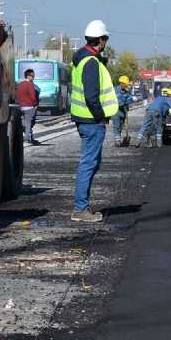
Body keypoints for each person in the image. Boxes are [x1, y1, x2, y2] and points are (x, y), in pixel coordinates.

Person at [69, 20, 119, 223]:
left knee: (92, 163)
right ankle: (80, 209)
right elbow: (91, 96)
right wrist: (100, 117)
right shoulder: (90, 62)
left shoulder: (83, 59)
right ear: (100, 39)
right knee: (89, 163)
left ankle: (82, 206)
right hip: (91, 121)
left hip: (86, 120)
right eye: (105, 38)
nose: (106, 42)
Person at [16, 69, 42, 145]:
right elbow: (33, 97)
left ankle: (29, 138)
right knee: (29, 123)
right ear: (28, 76)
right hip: (29, 106)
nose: (33, 77)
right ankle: (29, 139)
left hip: (21, 106)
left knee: (26, 123)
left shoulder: (20, 84)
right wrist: (35, 105)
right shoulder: (30, 85)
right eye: (32, 75)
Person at [112, 76, 134, 147]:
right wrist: (124, 102)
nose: (126, 86)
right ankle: (117, 141)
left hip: (123, 111)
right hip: (116, 111)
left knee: (121, 126)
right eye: (125, 84)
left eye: (127, 85)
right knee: (117, 126)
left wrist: (132, 99)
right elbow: (119, 102)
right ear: (121, 83)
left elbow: (129, 99)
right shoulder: (115, 90)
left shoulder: (127, 92)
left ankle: (119, 139)